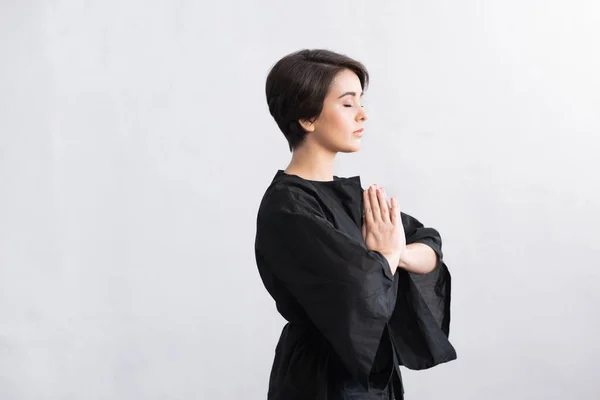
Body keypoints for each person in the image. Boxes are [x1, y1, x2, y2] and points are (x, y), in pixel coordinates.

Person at [254, 49, 457, 400]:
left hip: (374, 380)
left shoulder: (355, 200)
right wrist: (386, 256)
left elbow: (429, 246)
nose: (362, 115)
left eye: (361, 102)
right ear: (307, 117)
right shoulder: (288, 207)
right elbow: (360, 291)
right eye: (348, 104)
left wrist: (393, 254)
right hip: (321, 382)